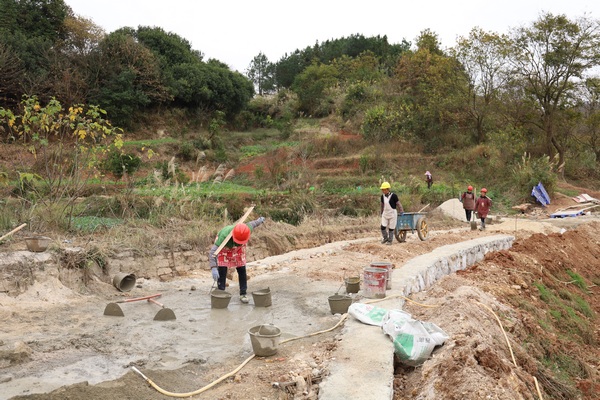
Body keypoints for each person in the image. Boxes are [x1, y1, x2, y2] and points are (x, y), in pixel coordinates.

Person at [208, 216, 265, 303]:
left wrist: (259, 220)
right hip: (224, 248)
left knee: (242, 269)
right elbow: (212, 253)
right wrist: (214, 268)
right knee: (222, 269)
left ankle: (243, 293)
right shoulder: (223, 237)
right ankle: (221, 293)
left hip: (238, 251)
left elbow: (253, 224)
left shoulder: (246, 229)